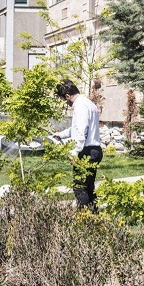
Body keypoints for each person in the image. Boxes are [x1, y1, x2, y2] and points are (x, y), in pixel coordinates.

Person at [54, 79, 103, 211]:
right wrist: (61, 134)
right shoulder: (88, 103)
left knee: (79, 187)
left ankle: (84, 219)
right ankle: (94, 217)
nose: (66, 103)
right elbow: (77, 128)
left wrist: (75, 152)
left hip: (86, 152)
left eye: (64, 100)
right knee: (89, 187)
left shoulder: (80, 106)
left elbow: (81, 131)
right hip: (95, 150)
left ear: (67, 96)